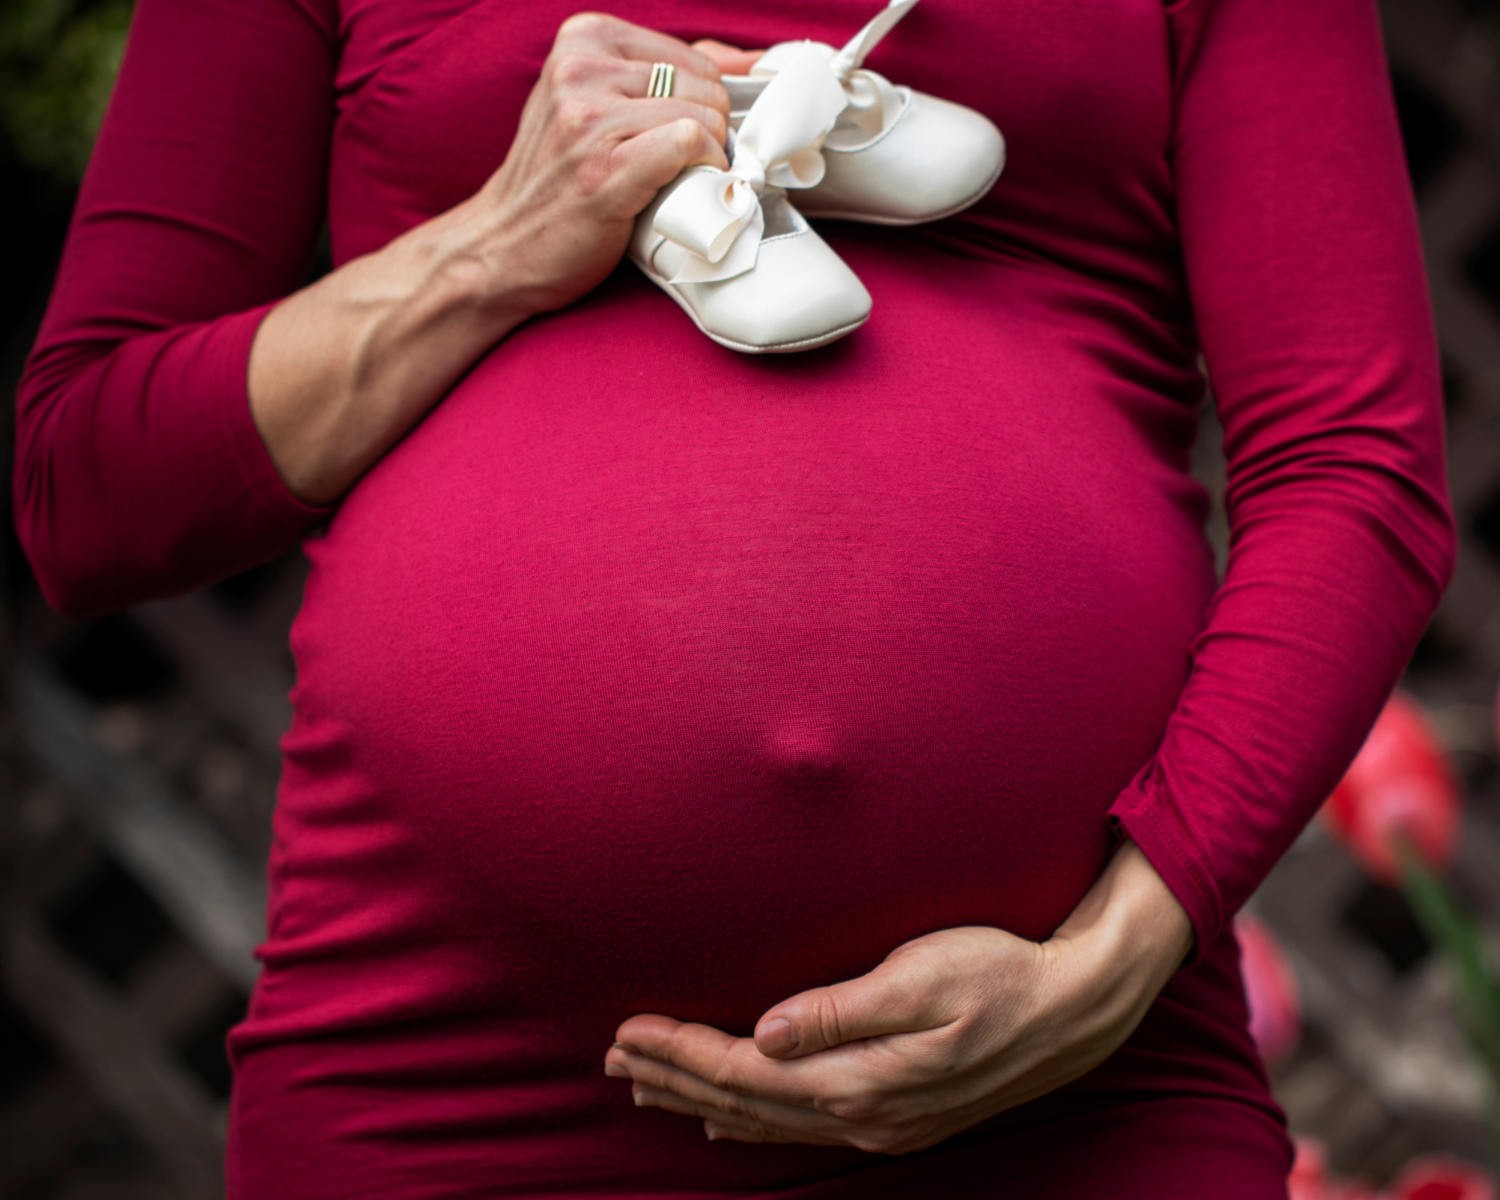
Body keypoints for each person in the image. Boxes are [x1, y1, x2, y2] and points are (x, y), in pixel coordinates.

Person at [14, 0, 1454, 1196]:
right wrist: (497, 243)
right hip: (445, 1074)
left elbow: (1355, 465)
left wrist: (1114, 959)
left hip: (1073, 1086)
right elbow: (91, 488)